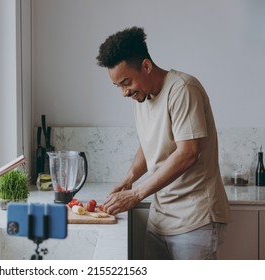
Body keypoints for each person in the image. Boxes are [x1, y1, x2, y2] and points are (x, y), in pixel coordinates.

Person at [96, 26, 230, 260]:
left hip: (194, 221)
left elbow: (188, 153)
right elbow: (149, 144)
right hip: (160, 220)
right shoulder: (142, 96)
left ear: (146, 66)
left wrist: (136, 194)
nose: (124, 93)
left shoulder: (183, 89)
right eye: (119, 86)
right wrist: (128, 180)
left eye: (127, 82)